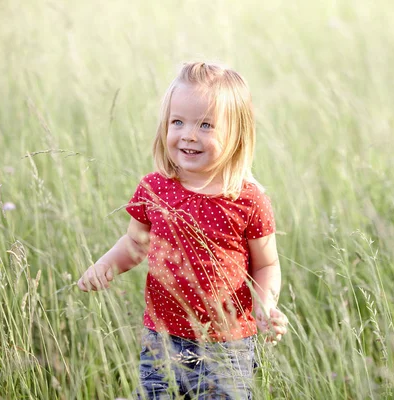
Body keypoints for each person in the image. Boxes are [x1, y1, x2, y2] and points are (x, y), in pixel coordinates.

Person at [77, 62, 289, 399]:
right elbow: (135, 242)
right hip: (161, 337)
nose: (188, 134)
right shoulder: (156, 188)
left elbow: (266, 265)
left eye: (206, 125)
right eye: (178, 122)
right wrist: (105, 266)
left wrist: (265, 305)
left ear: (236, 135)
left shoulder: (248, 200)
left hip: (227, 344)